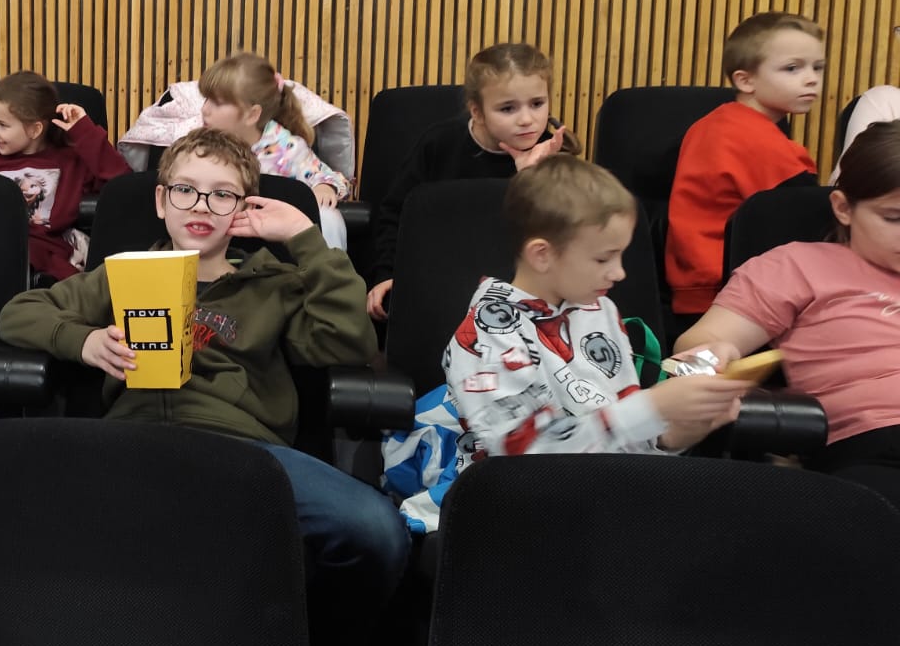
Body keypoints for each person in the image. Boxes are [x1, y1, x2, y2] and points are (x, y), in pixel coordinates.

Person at [0, 127, 410, 646]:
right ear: (161, 200)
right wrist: (83, 341)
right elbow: (19, 314)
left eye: (222, 195)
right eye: (186, 190)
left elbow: (348, 341)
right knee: (10, 507)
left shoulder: (275, 283)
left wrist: (305, 238)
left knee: (375, 530)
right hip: (134, 443)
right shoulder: (123, 274)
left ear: (243, 208)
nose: (201, 206)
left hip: (243, 451)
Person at [445, 155, 748, 459]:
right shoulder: (490, 331)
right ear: (542, 255)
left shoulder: (599, 309)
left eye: (621, 255)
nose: (619, 273)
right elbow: (522, 455)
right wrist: (652, 407)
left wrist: (678, 430)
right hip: (516, 487)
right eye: (603, 259)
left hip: (608, 480)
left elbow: (623, 434)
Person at [676, 120, 900, 507]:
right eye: (894, 218)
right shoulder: (797, 265)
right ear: (843, 208)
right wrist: (714, 357)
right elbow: (699, 343)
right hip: (873, 444)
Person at [367, 43, 576, 320]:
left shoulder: (552, 155)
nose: (527, 119)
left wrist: (527, 180)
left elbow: (562, 241)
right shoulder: (439, 145)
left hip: (521, 290)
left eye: (537, 104)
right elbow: (396, 214)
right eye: (508, 108)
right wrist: (387, 274)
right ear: (477, 111)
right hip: (442, 279)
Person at [665, 11, 823, 319]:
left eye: (817, 67)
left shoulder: (715, 123)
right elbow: (811, 227)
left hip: (696, 289)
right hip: (732, 295)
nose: (811, 79)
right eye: (792, 68)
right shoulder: (760, 142)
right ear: (745, 80)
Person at [0, 70, 129, 282]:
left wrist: (84, 131)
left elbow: (122, 185)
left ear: (35, 130)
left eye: (2, 125)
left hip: (43, 256)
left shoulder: (71, 162)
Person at [198, 51, 352, 248]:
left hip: (276, 245)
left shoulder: (286, 150)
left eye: (217, 103)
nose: (204, 109)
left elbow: (333, 178)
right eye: (206, 99)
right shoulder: (200, 146)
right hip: (222, 241)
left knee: (328, 217)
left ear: (252, 114)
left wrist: (324, 187)